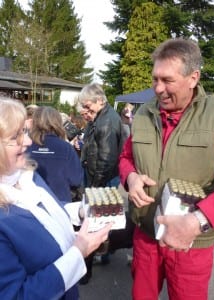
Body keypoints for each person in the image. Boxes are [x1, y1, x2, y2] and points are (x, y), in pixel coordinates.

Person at [119, 38, 214, 300]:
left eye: (167, 80)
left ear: (193, 77)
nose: (157, 88)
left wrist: (197, 221)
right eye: (155, 79)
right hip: (145, 235)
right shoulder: (143, 114)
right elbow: (125, 157)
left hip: (191, 243)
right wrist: (130, 178)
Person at [0, 97, 112, 300]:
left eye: (24, 132)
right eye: (15, 136)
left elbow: (44, 212)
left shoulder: (27, 175)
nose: (26, 141)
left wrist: (80, 210)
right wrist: (79, 251)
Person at [78, 83, 124, 283]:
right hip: (99, 174)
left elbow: (106, 159)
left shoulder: (106, 121)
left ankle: (96, 256)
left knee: (98, 217)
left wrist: (94, 187)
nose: (86, 110)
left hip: (102, 177)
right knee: (104, 216)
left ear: (99, 100)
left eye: (88, 106)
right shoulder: (101, 117)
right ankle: (103, 253)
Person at [27, 106, 83, 203]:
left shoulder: (26, 146)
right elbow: (76, 180)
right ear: (57, 122)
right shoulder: (66, 148)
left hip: (32, 203)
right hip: (60, 203)